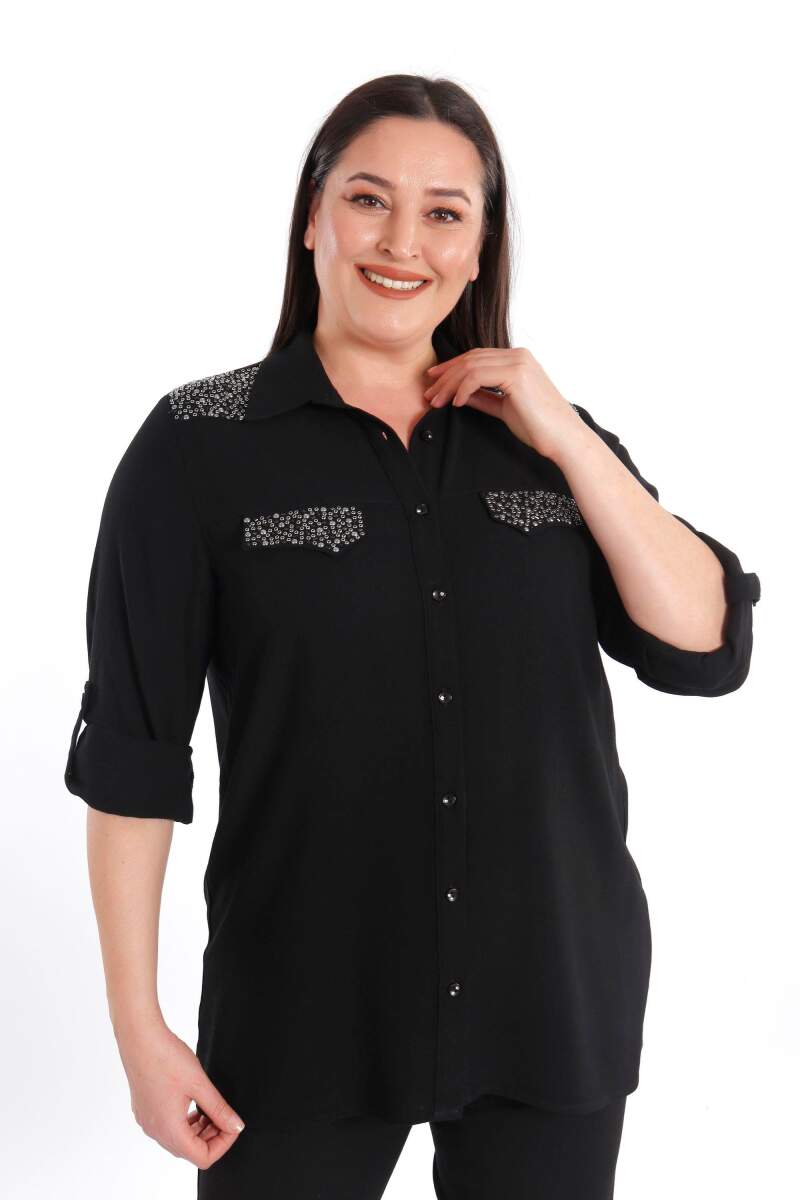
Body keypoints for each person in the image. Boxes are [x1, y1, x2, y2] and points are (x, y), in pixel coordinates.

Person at [64, 74, 761, 1199]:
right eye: (367, 199)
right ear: (313, 217)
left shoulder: (550, 444)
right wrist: (138, 1029)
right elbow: (133, 756)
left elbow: (705, 645)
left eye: (444, 213)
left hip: (551, 1005)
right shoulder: (197, 444)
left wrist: (569, 438)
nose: (401, 242)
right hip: (302, 1009)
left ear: (480, 250)